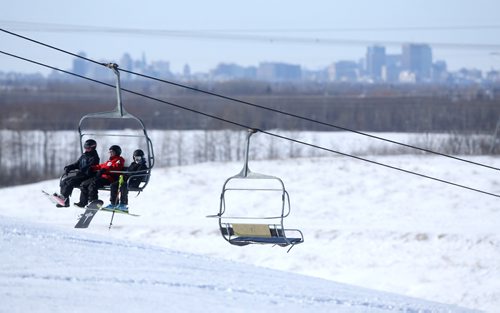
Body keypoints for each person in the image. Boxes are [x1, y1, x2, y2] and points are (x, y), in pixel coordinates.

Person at [55, 139, 100, 207]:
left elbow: (90, 167)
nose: (86, 149)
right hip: (80, 175)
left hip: (87, 176)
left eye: (88, 148)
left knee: (70, 182)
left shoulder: (94, 157)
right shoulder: (84, 156)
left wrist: (82, 169)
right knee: (64, 181)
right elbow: (77, 164)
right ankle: (65, 201)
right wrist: (68, 167)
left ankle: (64, 199)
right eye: (85, 147)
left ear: (93, 147)